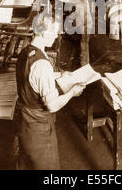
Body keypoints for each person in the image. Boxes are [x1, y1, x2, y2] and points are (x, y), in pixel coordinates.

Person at [15, 14, 86, 169]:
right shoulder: (42, 63)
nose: (56, 35)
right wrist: (72, 92)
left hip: (24, 119)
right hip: (38, 126)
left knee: (26, 163)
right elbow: (52, 106)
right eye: (53, 31)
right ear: (42, 32)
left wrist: (60, 74)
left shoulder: (26, 52)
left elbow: (33, 78)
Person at [50, 0, 93, 66]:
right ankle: (84, 63)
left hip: (85, 23)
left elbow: (66, 0)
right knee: (83, 44)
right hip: (83, 22)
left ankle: (84, 65)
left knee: (84, 44)